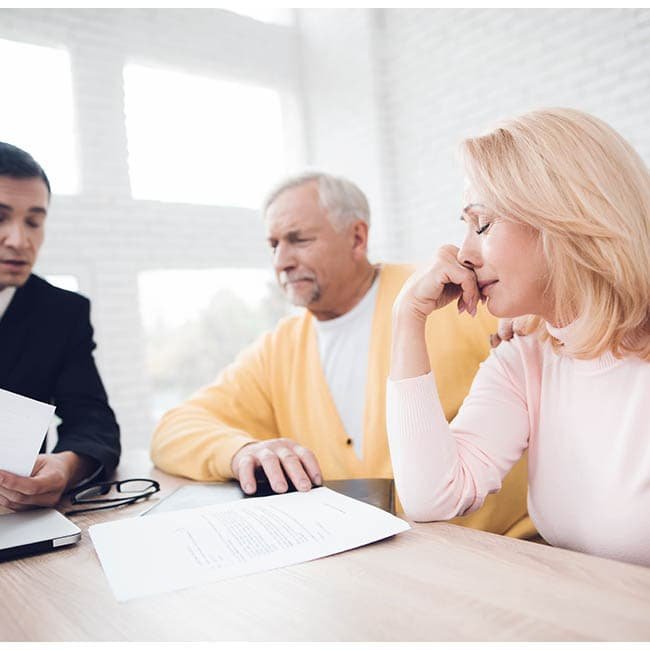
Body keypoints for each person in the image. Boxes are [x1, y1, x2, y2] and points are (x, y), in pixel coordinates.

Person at [151, 171, 534, 537]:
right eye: (274, 244)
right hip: (372, 572)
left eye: (299, 240)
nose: (281, 261)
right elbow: (173, 430)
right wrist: (240, 451)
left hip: (502, 558)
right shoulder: (277, 349)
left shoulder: (451, 294)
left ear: (356, 238)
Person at [387, 108, 650, 565]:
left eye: (482, 224)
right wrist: (406, 318)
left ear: (562, 218)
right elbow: (434, 496)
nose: (463, 254)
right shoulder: (525, 358)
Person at [0, 142, 120, 510]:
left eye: (34, 222)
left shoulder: (61, 313)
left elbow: (93, 421)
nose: (20, 240)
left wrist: (65, 467)